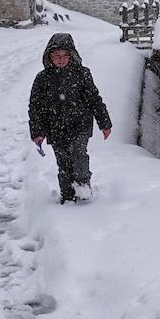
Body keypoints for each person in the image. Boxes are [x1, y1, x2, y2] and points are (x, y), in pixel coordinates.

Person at [28, 33, 112, 204]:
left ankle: (82, 189)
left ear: (71, 55)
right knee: (64, 162)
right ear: (49, 57)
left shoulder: (82, 74)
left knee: (78, 154)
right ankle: (66, 195)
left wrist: (104, 123)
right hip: (56, 127)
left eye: (64, 55)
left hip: (80, 124)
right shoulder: (43, 79)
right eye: (56, 56)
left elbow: (95, 99)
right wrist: (38, 132)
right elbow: (36, 108)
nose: (60, 59)